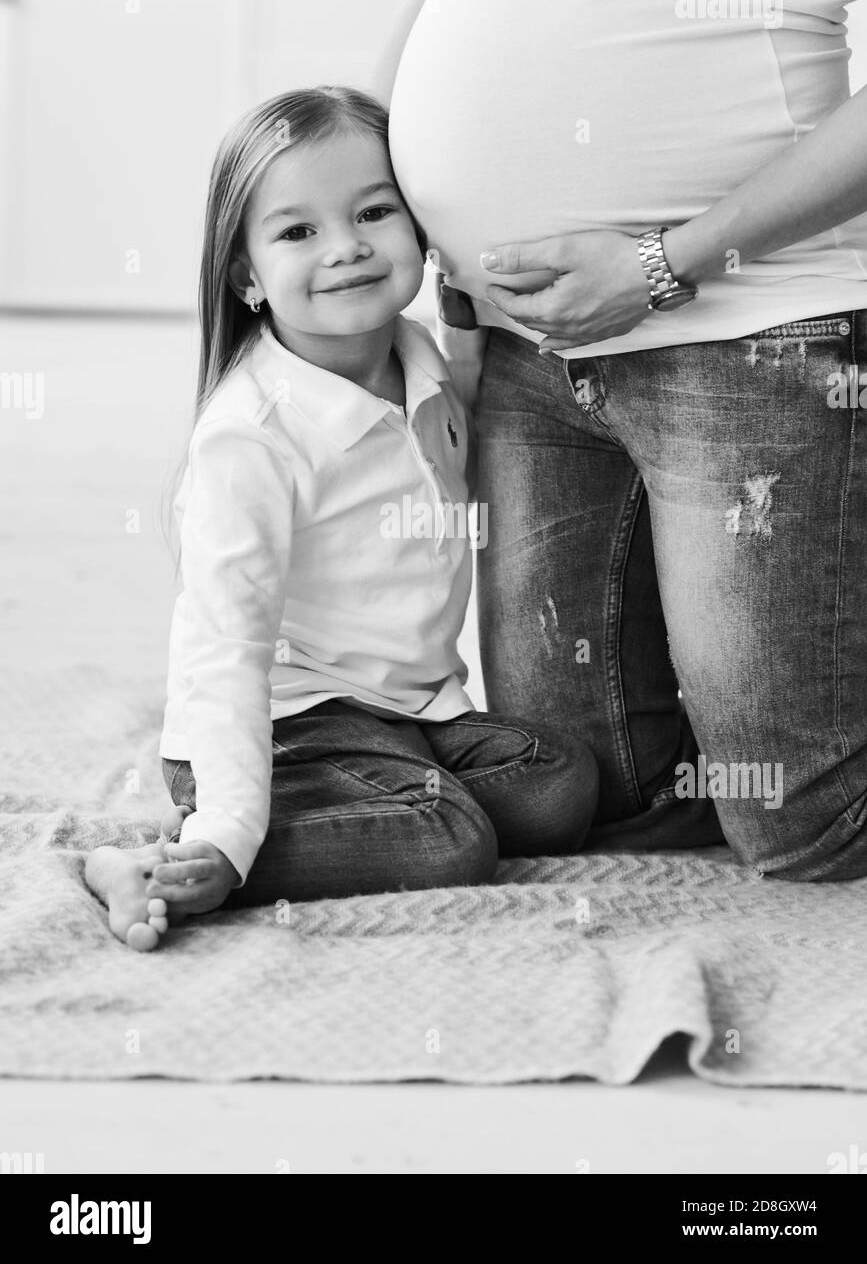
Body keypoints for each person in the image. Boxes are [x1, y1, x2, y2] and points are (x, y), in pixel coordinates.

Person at [384, 0, 867, 880]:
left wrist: (661, 262)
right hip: (526, 347)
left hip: (753, 331)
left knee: (802, 827)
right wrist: (416, 232)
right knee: (584, 793)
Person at [84, 86, 598, 951]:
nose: (348, 248)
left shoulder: (417, 356)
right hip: (283, 719)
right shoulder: (250, 440)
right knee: (450, 838)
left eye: (372, 212)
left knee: (559, 782)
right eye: (297, 231)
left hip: (406, 711)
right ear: (246, 275)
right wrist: (228, 826)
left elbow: (457, 434)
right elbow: (225, 651)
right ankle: (172, 863)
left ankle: (398, 792)